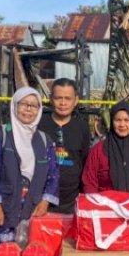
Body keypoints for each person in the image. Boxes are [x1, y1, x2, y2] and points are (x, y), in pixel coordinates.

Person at [0, 87, 59, 243]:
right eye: (24, 104)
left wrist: (45, 202)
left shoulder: (45, 140)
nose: (28, 109)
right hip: (4, 209)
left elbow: (54, 174)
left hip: (32, 209)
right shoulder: (0, 134)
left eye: (34, 105)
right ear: (15, 105)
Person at [38, 78, 90, 213]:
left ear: (76, 100)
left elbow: (84, 161)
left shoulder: (82, 127)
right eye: (58, 98)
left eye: (68, 98)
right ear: (51, 99)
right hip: (41, 199)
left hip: (72, 200)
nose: (63, 103)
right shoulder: (39, 124)